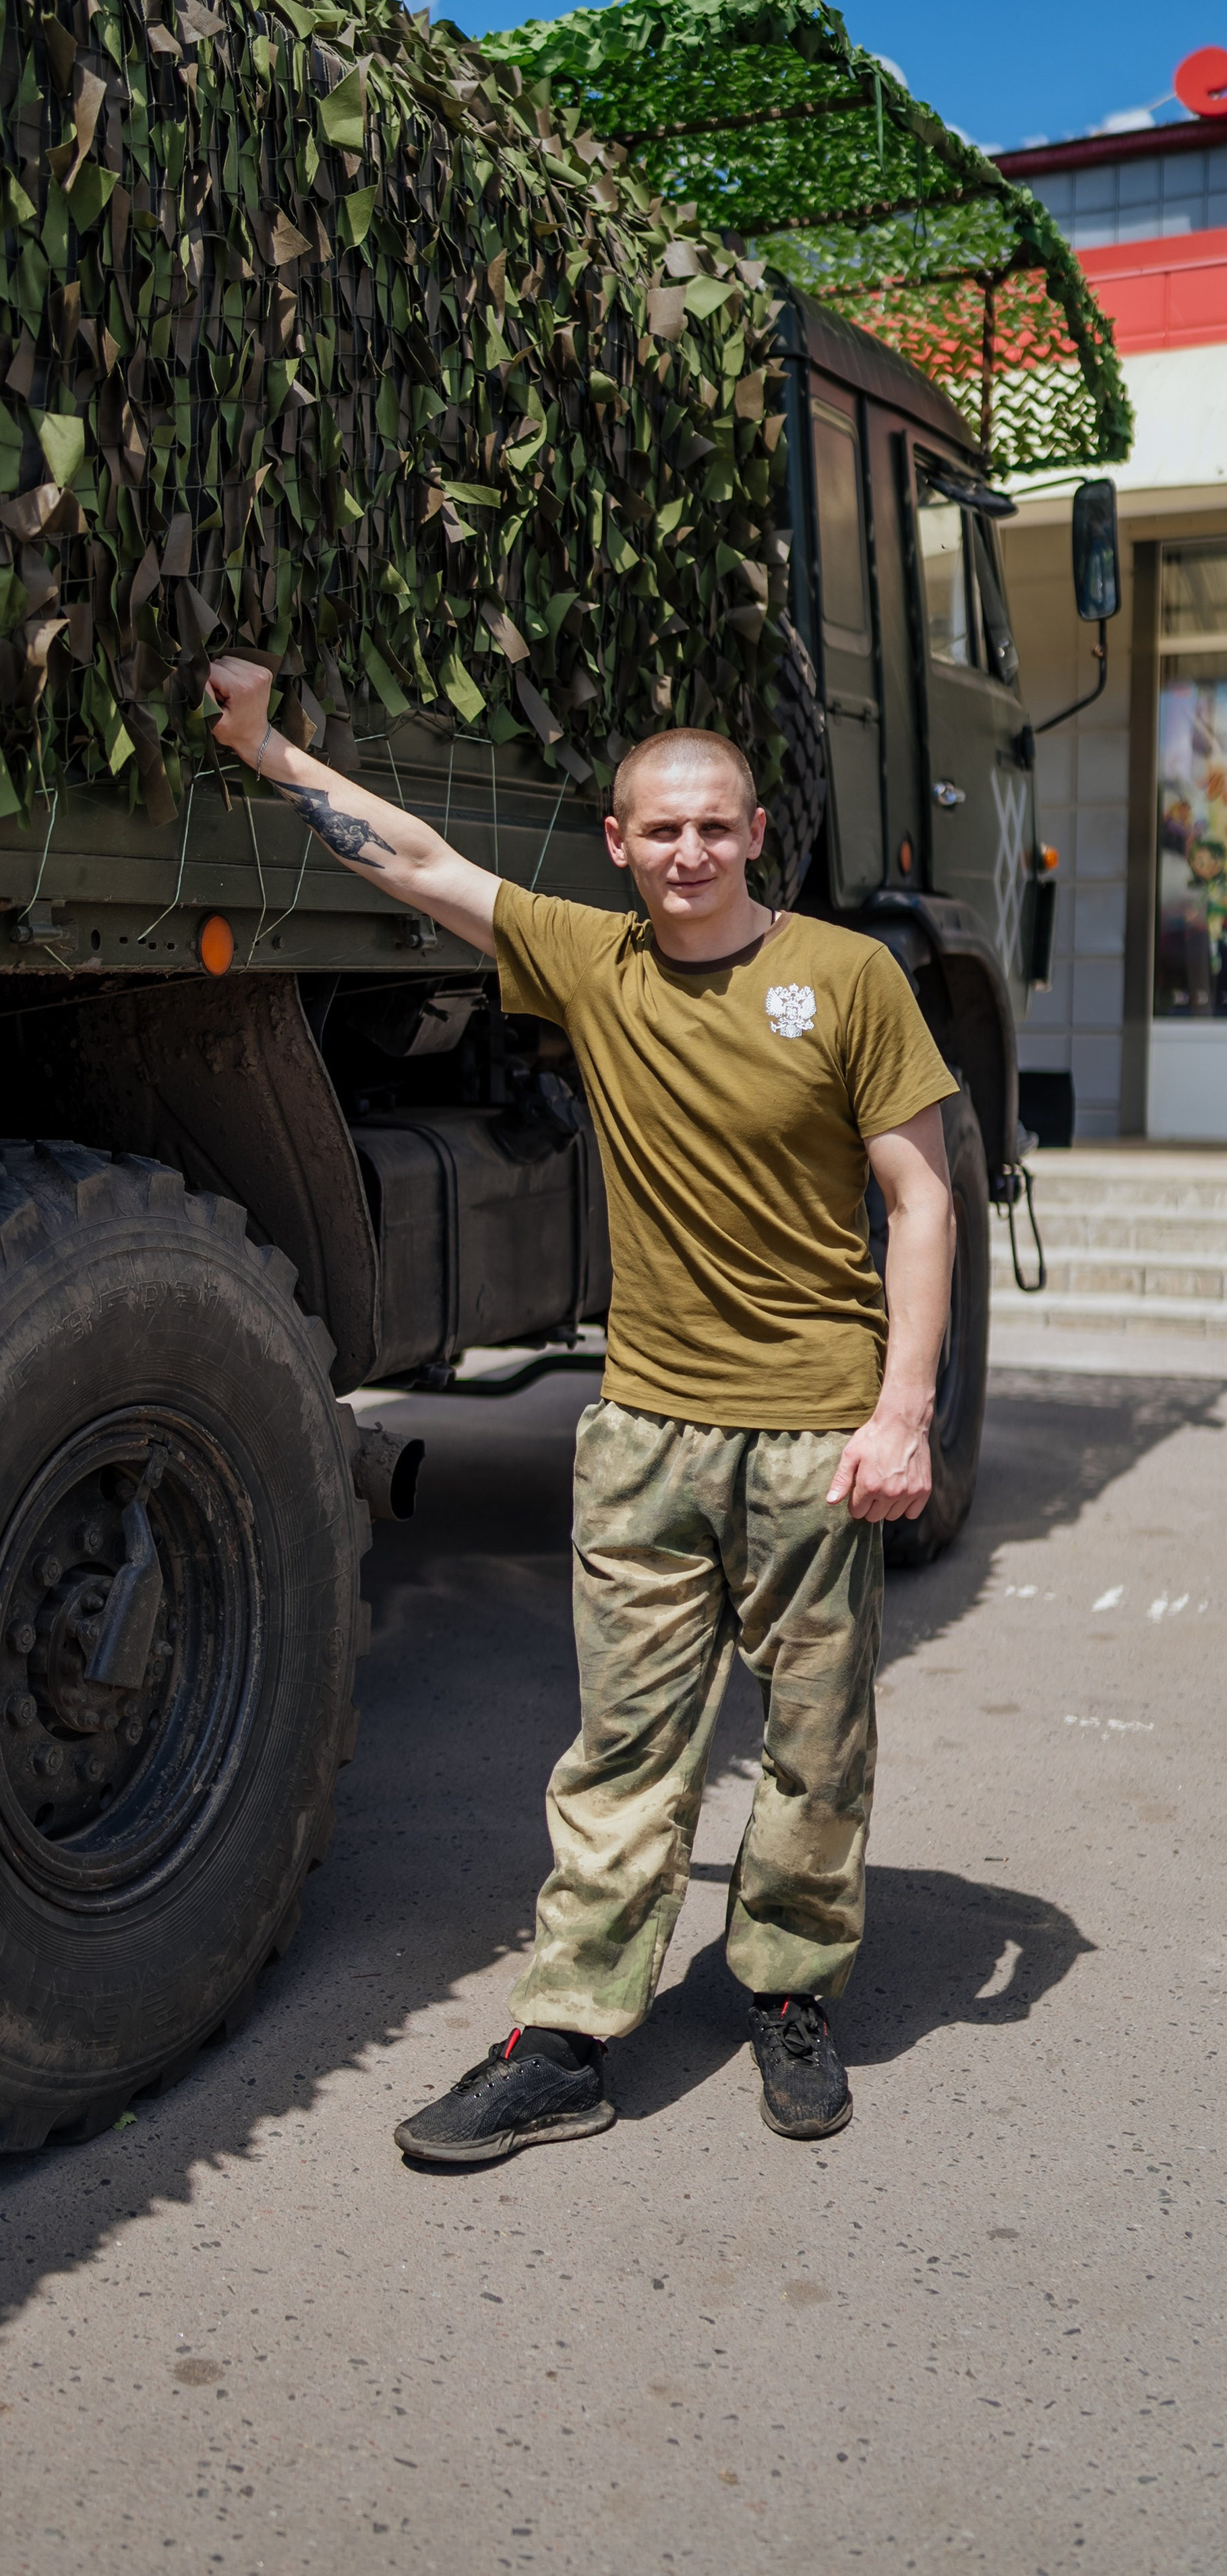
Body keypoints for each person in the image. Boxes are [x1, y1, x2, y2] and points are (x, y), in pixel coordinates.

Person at [204, 657, 957, 2157]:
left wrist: (902, 1415)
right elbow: (416, 861)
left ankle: (788, 1992)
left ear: (754, 837)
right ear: (616, 847)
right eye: (659, 831)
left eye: (714, 829)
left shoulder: (847, 979)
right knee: (621, 1744)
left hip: (813, 1428)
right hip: (643, 1435)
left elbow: (920, 1199)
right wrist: (263, 744)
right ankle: (564, 2036)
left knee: (814, 1739)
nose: (688, 853)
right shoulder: (591, 963)